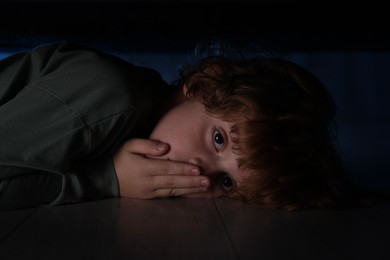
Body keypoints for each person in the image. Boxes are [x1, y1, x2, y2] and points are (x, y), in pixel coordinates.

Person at [0, 40, 349, 211]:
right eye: (218, 139)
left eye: (226, 183)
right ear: (203, 84)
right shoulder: (109, 99)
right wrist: (106, 178)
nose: (200, 173)